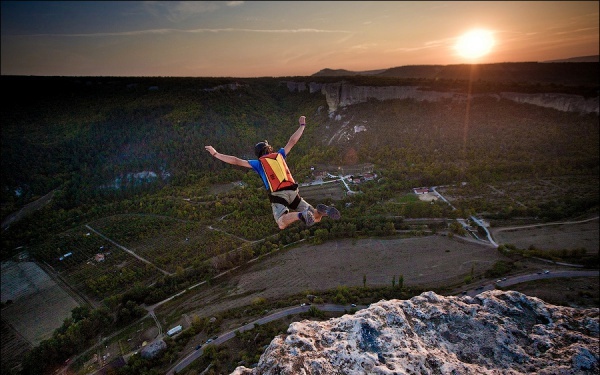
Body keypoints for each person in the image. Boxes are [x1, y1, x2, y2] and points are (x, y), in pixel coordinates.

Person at [205, 115, 340, 229]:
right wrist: (302, 125)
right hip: (293, 192)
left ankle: (301, 215)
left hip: (278, 195)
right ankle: (323, 212)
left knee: (281, 222)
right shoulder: (280, 155)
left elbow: (236, 161)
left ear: (258, 154)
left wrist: (216, 154)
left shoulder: (259, 163)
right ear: (269, 149)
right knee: (316, 217)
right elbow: (292, 141)